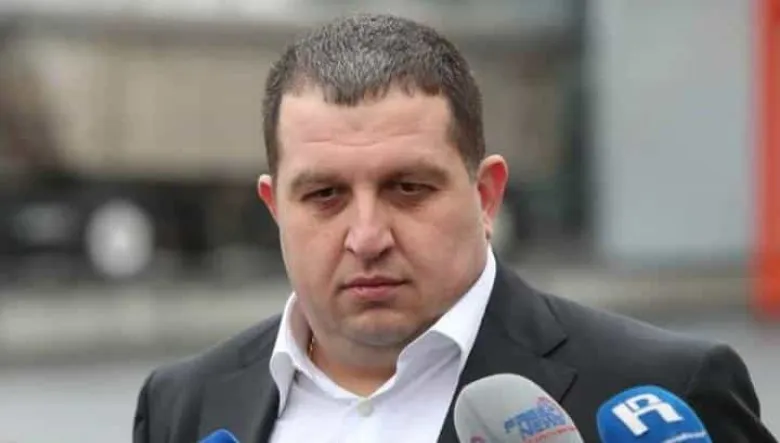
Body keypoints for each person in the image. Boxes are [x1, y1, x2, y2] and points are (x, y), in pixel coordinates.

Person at [132, 13, 777, 443]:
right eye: (325, 195)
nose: (367, 236)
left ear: (486, 195)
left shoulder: (662, 392)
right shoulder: (182, 407)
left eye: (408, 188)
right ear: (275, 207)